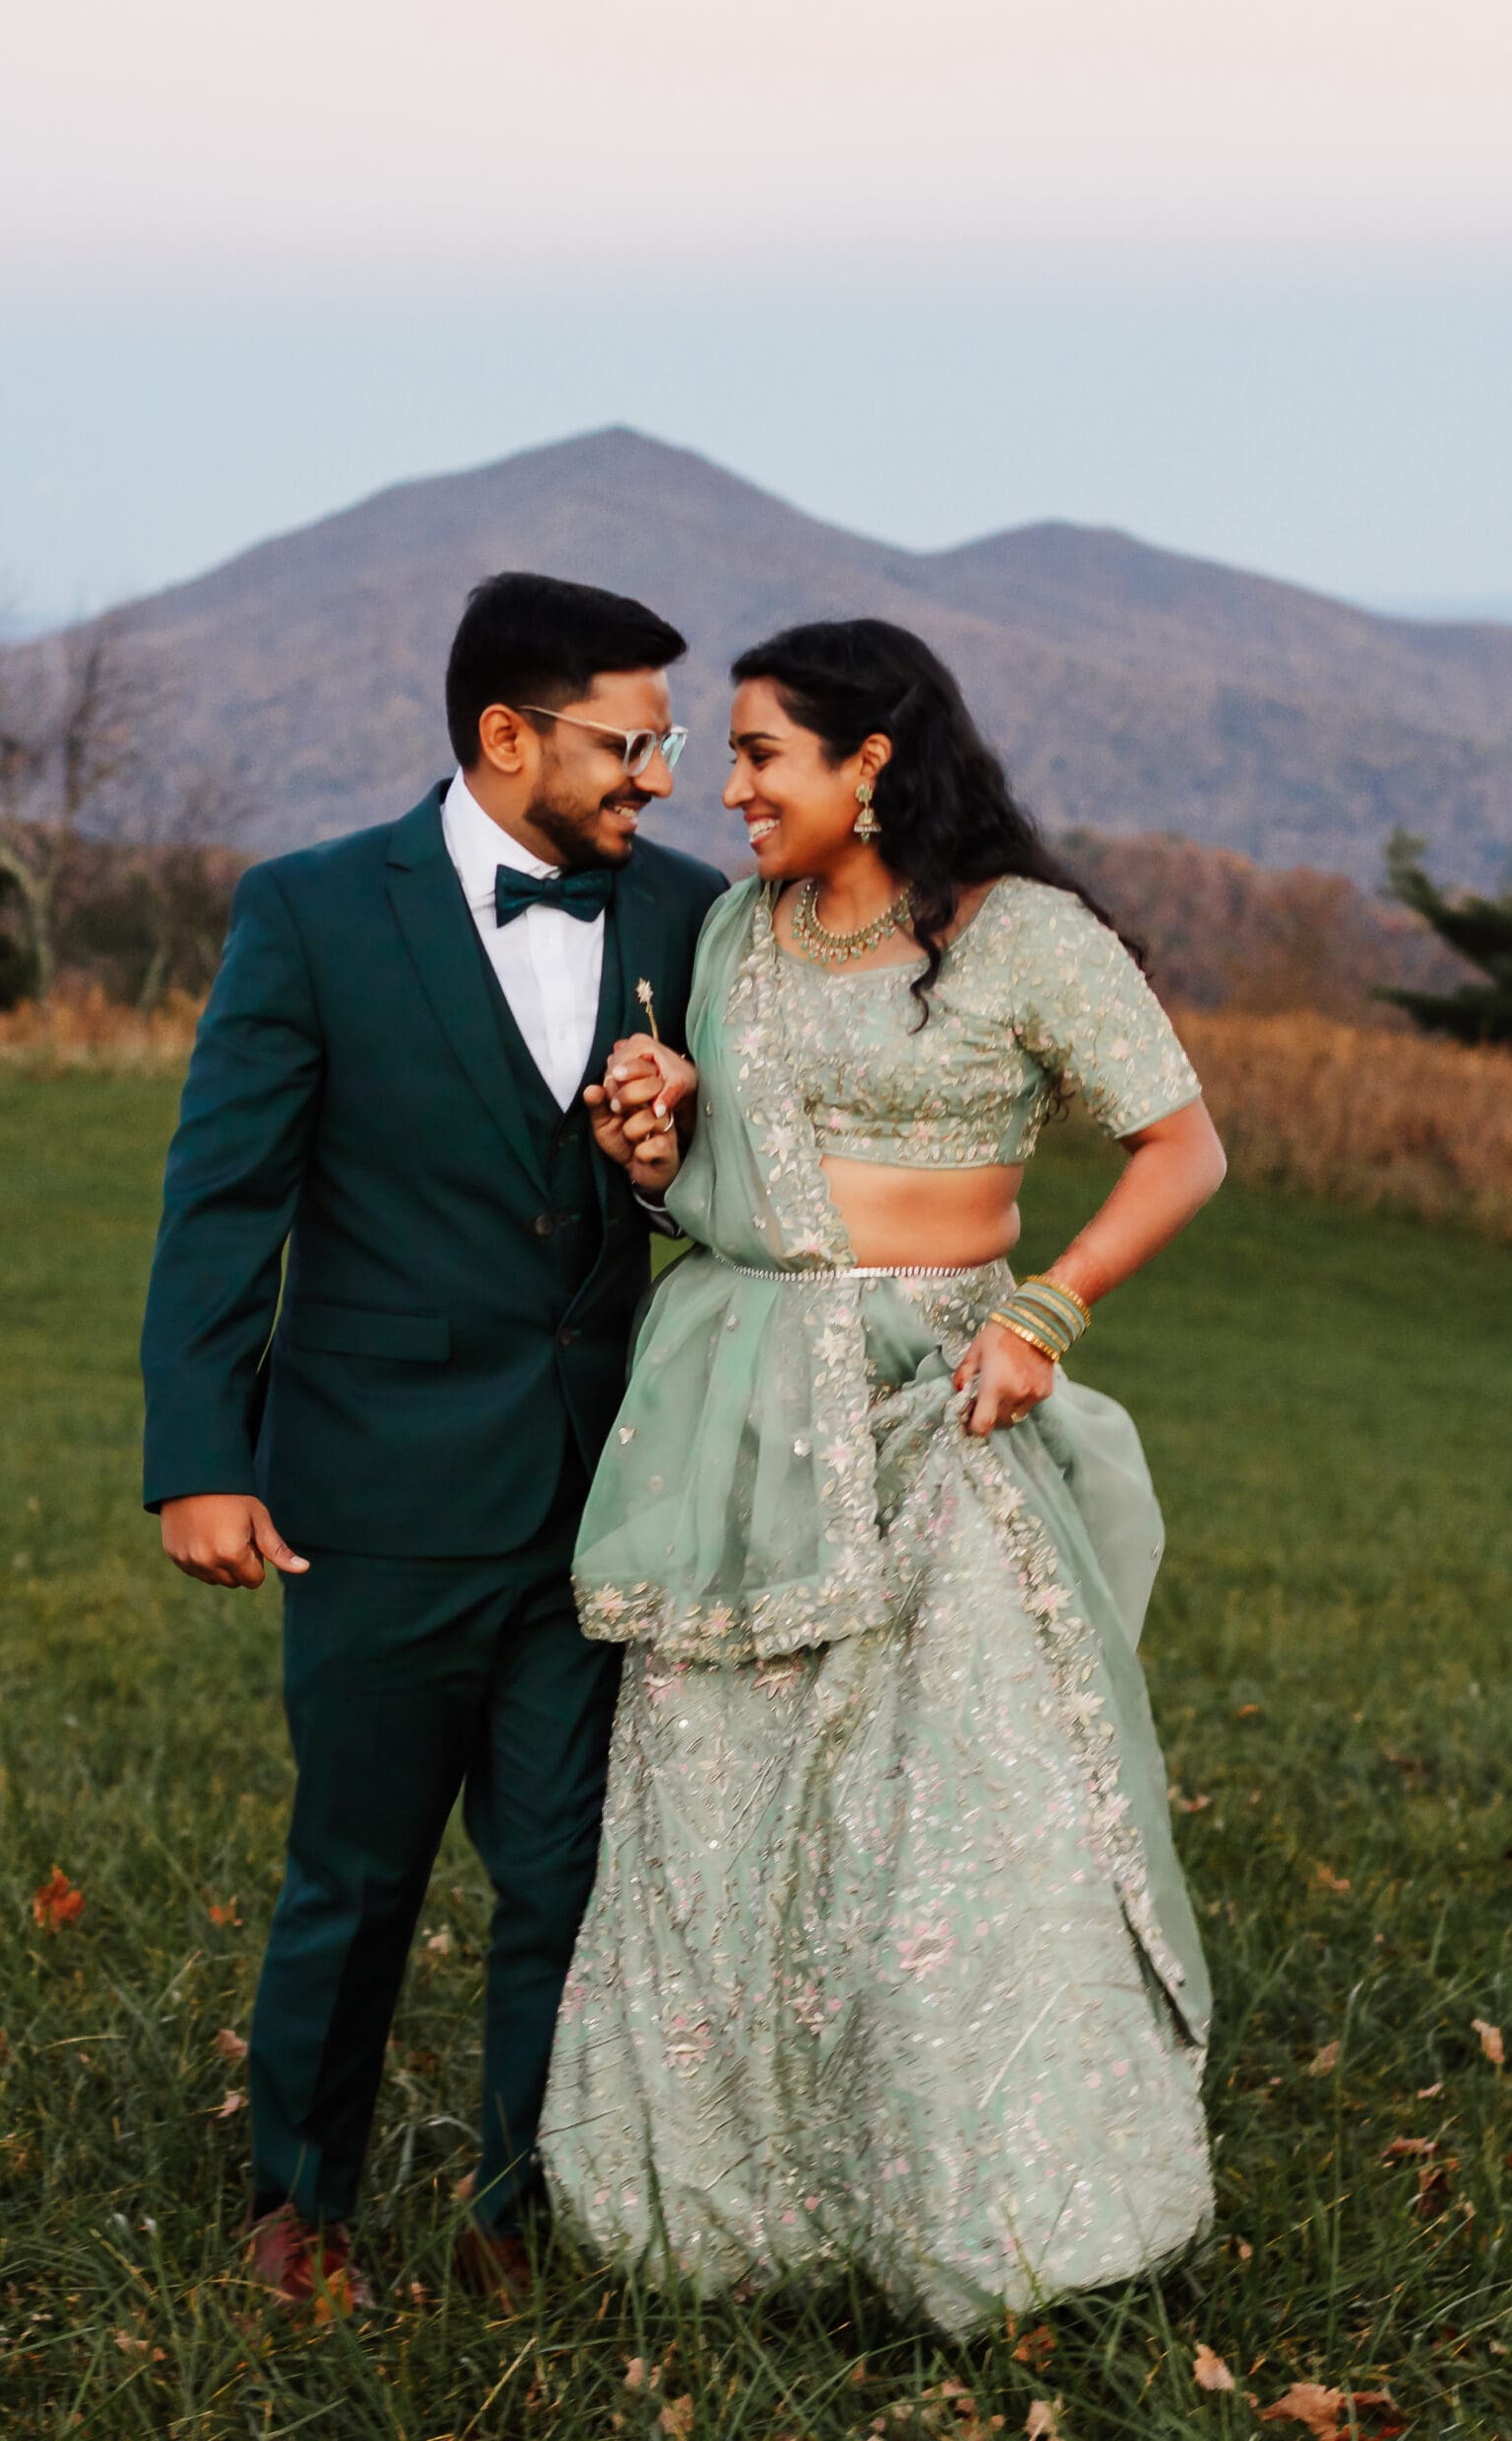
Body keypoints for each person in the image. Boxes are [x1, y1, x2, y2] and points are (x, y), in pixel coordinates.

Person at [541, 617, 1227, 2331]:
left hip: (946, 1412)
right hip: (743, 1418)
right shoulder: (734, 934)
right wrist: (659, 1132)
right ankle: (720, 2220)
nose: (729, 785)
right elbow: (728, 1182)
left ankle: (993, 2214)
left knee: (958, 1823)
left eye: (765, 753)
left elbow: (1184, 1146)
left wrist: (1049, 1315)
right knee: (726, 1811)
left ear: (872, 764)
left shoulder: (1025, 939)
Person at [138, 571, 724, 2308]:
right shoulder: (312, 912)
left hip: (598, 1495)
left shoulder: (692, 916)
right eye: (632, 742)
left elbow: (728, 1183)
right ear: (506, 735)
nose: (662, 779)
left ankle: (518, 2214)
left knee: (564, 1875)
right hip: (372, 1491)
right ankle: (295, 2203)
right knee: (360, 1872)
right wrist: (199, 1454)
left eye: (671, 742)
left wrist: (669, 1150)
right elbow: (223, 1201)